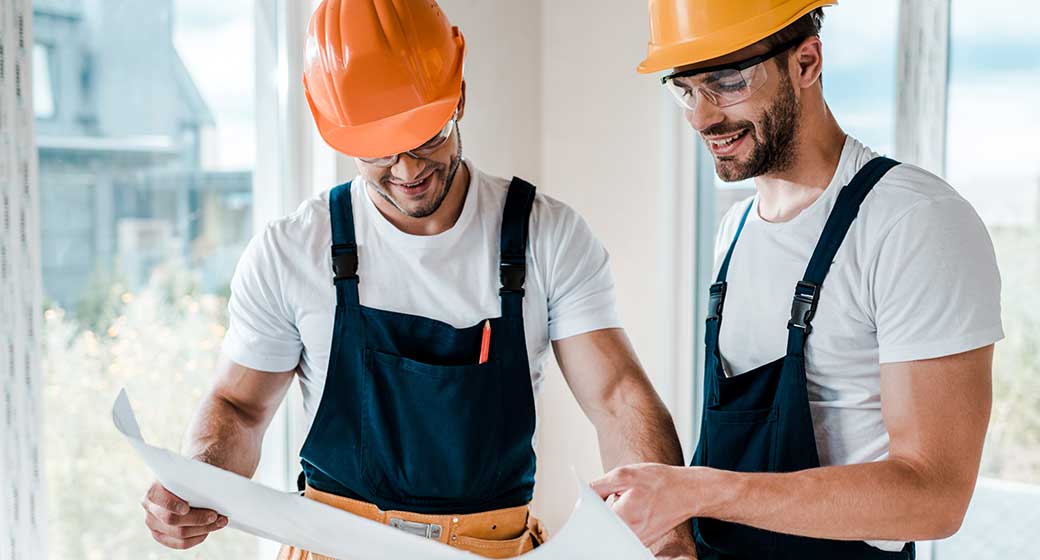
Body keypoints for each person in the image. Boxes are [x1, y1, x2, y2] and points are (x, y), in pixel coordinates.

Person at [141, 0, 693, 558]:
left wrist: (668, 529)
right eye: (380, 149)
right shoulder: (291, 250)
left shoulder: (545, 236)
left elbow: (618, 397)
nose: (408, 171)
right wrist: (197, 481)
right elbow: (240, 406)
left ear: (459, 98)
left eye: (429, 135)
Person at [593, 2, 1003, 559]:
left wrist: (696, 491)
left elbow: (935, 496)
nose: (701, 117)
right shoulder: (734, 232)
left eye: (726, 81)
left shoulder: (913, 222)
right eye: (685, 88)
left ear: (806, 62)